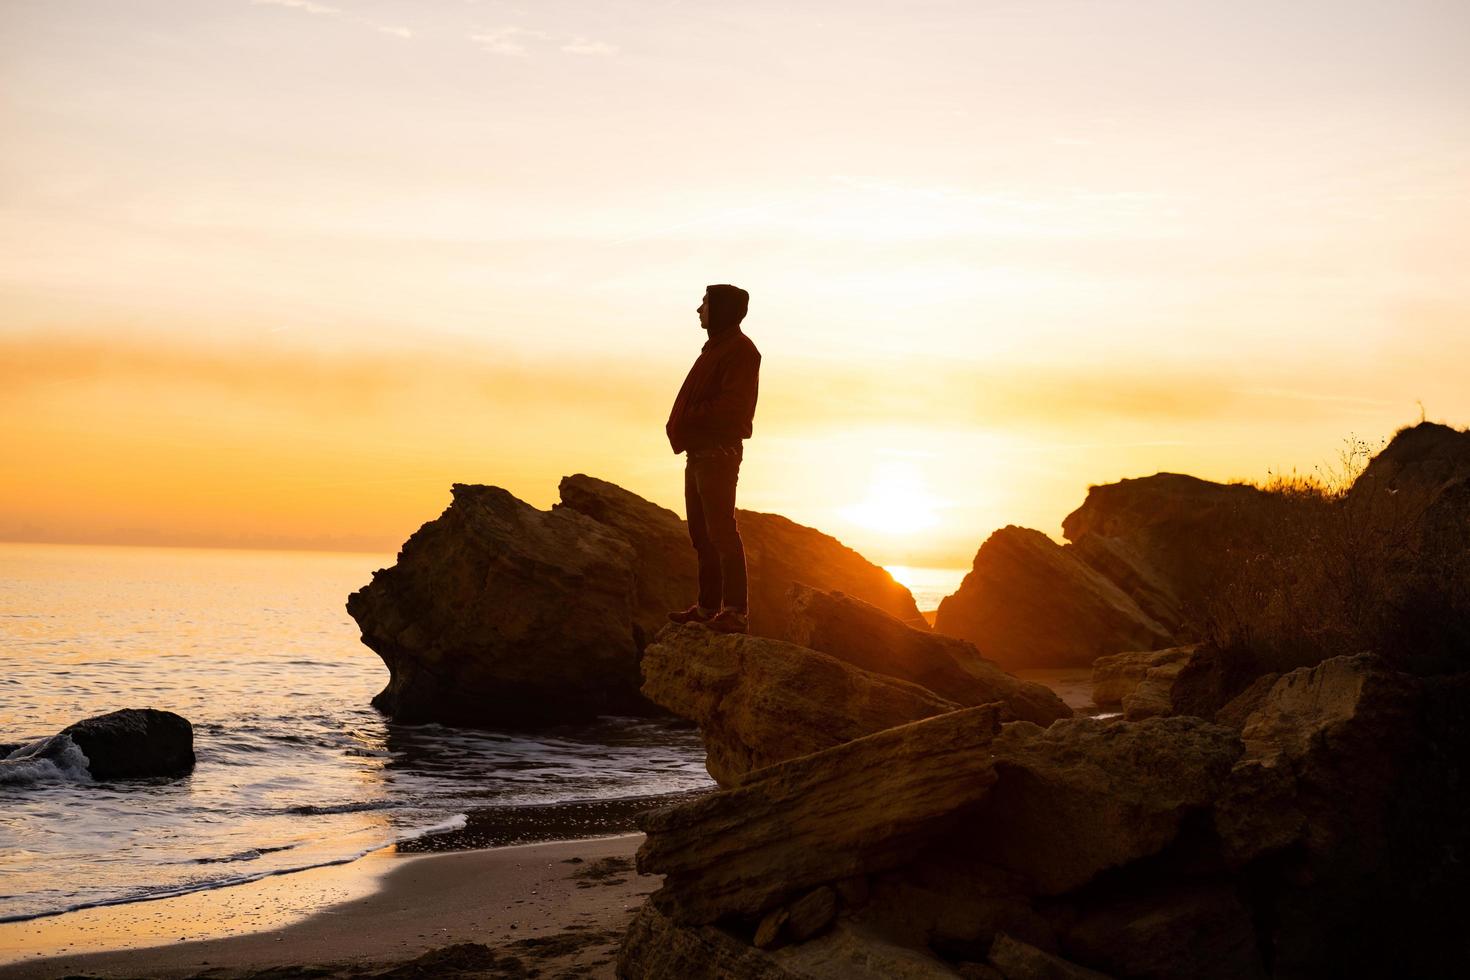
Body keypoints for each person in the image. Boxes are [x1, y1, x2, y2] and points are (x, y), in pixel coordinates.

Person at [665, 284, 761, 634]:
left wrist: (689, 418)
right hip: (699, 454)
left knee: (721, 532)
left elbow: (733, 407)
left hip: (718, 454)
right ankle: (707, 608)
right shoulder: (716, 348)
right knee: (701, 535)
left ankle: (735, 612)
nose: (698, 309)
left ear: (720, 308)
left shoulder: (741, 351)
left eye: (704, 303)